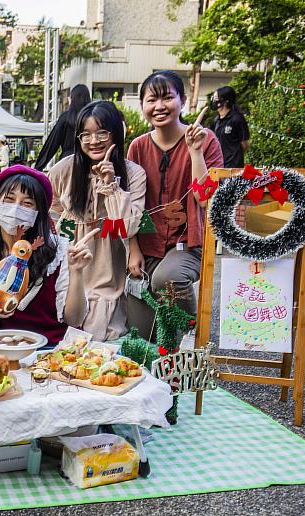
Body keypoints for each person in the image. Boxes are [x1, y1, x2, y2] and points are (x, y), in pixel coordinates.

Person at [126, 70, 223, 342]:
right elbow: (131, 204)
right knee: (141, 337)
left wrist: (195, 152)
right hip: (146, 245)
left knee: (167, 279)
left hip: (186, 244)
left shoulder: (206, 140)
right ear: (143, 106)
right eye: (151, 100)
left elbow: (204, 199)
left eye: (167, 97)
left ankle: (191, 331)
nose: (159, 107)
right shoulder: (137, 147)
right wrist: (133, 249)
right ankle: (162, 357)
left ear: (182, 100)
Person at [48, 101, 147, 341]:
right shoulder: (65, 169)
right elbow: (50, 204)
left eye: (102, 132)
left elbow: (130, 224)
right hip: (72, 249)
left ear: (116, 133)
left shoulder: (134, 174)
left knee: (100, 326)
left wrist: (112, 185)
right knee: (64, 308)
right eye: (86, 135)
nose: (94, 141)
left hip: (107, 255)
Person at [0, 165, 91, 344]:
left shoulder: (60, 251)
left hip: (54, 352)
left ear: (37, 213)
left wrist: (77, 272)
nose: (16, 208)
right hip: (4, 351)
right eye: (9, 200)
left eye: (27, 203)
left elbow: (75, 320)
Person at [35, 84, 92, 171]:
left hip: (66, 162)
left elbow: (52, 143)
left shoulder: (65, 118)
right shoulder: (93, 118)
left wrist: (38, 167)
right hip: (89, 161)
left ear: (72, 99)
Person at [210, 86, 250, 168]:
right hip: (219, 164)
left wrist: (235, 156)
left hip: (233, 165)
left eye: (217, 98)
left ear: (226, 100)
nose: (214, 101)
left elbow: (245, 144)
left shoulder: (237, 119)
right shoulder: (216, 120)